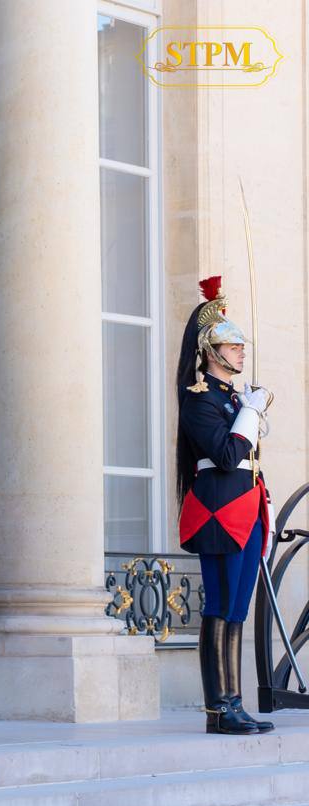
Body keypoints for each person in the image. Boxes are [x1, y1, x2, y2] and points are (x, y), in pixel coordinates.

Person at [175, 275, 273, 735]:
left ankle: (235, 701)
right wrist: (251, 412)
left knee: (237, 608)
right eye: (233, 346)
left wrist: (248, 408)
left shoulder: (232, 398)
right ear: (210, 351)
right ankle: (218, 708)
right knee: (220, 603)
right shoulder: (200, 400)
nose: (241, 352)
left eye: (240, 346)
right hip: (220, 514)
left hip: (246, 510)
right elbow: (229, 455)